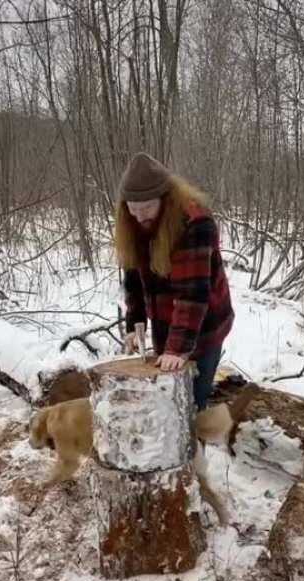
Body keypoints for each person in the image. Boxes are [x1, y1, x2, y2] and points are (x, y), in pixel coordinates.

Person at [115, 152, 234, 411]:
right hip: (167, 321)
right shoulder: (134, 222)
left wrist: (177, 349)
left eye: (146, 208)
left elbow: (192, 294)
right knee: (165, 405)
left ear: (165, 198)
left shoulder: (195, 223)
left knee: (191, 404)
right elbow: (133, 276)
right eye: (133, 210)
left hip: (205, 325)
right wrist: (135, 325)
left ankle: (195, 441)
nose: (139, 216)